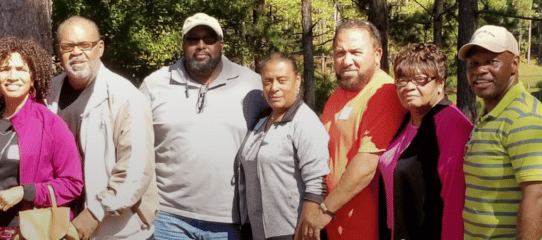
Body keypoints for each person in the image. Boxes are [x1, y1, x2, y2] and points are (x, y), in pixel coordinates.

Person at [138, 12, 268, 240]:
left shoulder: (252, 85)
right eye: (192, 39)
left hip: (230, 221)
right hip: (168, 219)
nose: (201, 45)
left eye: (209, 39)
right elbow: (135, 146)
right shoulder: (155, 85)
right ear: (183, 44)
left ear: (221, 44)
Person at [47, 16, 159, 239]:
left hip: (117, 230)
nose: (76, 52)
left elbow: (137, 168)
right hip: (60, 226)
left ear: (100, 48)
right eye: (68, 46)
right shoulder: (49, 91)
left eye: (85, 45)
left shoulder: (126, 97)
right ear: (58, 51)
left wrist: (96, 212)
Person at [457, 25, 542, 239]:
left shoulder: (525, 118)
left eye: (491, 62)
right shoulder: (490, 115)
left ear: (514, 64)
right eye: (474, 63)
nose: (479, 70)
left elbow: (538, 196)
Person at [0, 37, 84, 240]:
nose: (12, 76)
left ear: (33, 78)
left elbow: (73, 183)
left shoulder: (51, 124)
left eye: (21, 69)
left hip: (33, 232)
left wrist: (26, 192)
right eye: (5, 69)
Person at [312, 20, 406, 240]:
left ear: (377, 54)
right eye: (339, 52)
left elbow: (367, 165)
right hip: (336, 225)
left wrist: (325, 209)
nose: (346, 61)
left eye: (355, 52)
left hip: (367, 227)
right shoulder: (338, 96)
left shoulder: (383, 93)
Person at [378, 43, 472, 240]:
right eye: (402, 79)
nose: (409, 87)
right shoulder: (407, 120)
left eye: (420, 80)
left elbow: (457, 201)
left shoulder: (452, 125)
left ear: (440, 83)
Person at [235, 53, 330, 240]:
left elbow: (317, 184)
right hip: (257, 231)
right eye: (268, 81)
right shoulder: (261, 122)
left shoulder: (304, 122)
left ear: (297, 80)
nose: (274, 88)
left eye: (282, 80)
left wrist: (304, 232)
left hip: (290, 231)